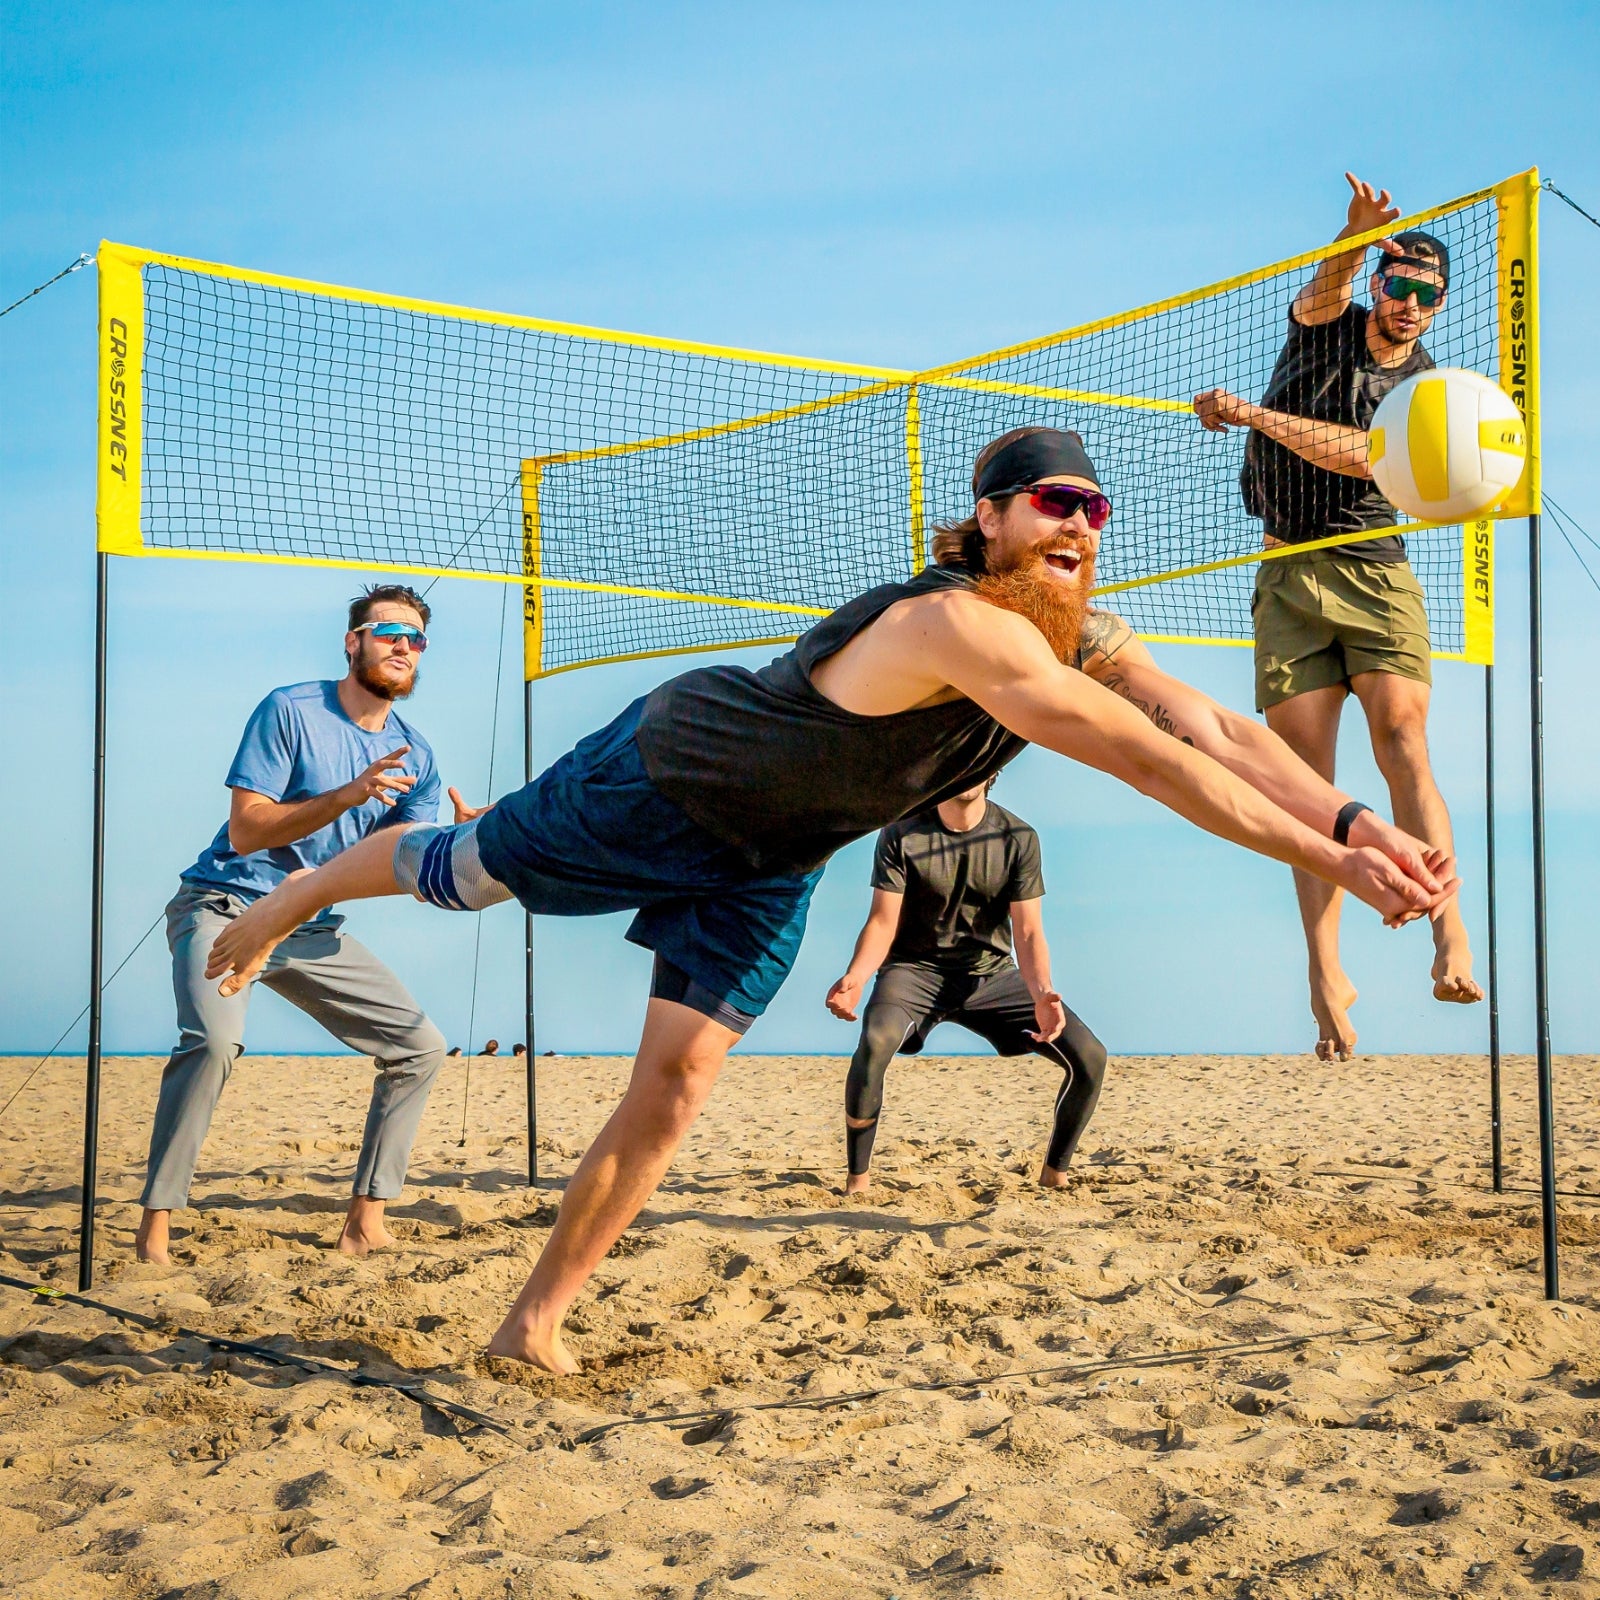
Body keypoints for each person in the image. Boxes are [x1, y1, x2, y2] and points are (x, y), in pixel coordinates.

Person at [203, 427, 1457, 1373]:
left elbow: (1214, 726)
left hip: (772, 854)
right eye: (1051, 503)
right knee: (459, 874)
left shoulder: (1080, 629)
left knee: (680, 1082)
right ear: (990, 517)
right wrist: (1333, 863)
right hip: (666, 775)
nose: (1077, 523)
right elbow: (1141, 756)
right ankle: (282, 901)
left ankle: (532, 1324)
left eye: (1094, 508)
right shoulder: (958, 621)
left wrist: (1350, 819)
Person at [1192, 172, 1482, 1060]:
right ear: (1380, 287)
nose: (1412, 305)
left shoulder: (1425, 388)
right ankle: (1325, 971)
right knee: (1306, 783)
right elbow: (1326, 286)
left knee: (1403, 742)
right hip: (1286, 566)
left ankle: (1450, 931)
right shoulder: (1324, 329)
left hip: (1370, 565)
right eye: (1400, 286)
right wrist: (1354, 234)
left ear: (1437, 307)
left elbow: (1362, 457)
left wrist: (1250, 414)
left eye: (1428, 295)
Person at [134, 585, 466, 1264]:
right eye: (388, 633)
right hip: (224, 901)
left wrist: (463, 843)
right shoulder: (291, 709)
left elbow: (399, 867)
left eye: (416, 638)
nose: (403, 646)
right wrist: (347, 795)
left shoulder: (415, 756)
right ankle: (154, 1231)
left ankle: (364, 1223)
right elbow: (248, 830)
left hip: (307, 924)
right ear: (353, 643)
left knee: (420, 1048)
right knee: (214, 1043)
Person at [827, 777, 1105, 1193]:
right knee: (875, 1040)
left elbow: (1028, 932)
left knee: (1091, 1058)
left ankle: (1054, 1174)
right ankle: (858, 1181)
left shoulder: (1017, 837)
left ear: (993, 773)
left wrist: (1042, 992)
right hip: (913, 972)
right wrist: (856, 976)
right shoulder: (901, 833)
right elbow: (883, 921)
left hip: (990, 976)